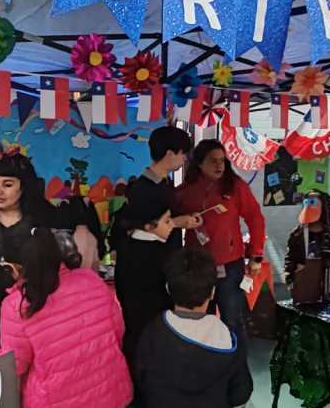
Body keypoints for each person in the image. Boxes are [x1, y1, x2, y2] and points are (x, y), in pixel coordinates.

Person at [0, 227, 132, 408]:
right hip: (113, 394)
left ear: (13, 268)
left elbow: (13, 366)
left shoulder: (17, 306)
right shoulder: (91, 279)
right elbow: (117, 332)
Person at [0, 147, 98, 344]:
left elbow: (59, 266)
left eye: (7, 185)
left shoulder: (44, 217)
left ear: (24, 186)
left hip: (31, 314)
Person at [133, 247, 253, 408]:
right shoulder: (229, 340)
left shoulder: (151, 332)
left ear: (168, 289)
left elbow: (141, 379)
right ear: (213, 292)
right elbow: (241, 394)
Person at [174, 139, 265, 346]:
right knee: (198, 320)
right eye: (213, 161)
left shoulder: (235, 186)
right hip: (197, 267)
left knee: (232, 320)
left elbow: (255, 219)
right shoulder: (185, 191)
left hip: (230, 266)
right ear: (199, 163)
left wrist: (256, 255)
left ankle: (235, 361)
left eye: (222, 160)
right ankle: (205, 358)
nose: (219, 165)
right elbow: (169, 221)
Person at [113, 199, 175, 372]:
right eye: (167, 221)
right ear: (149, 226)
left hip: (132, 326)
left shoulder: (124, 246)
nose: (172, 225)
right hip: (159, 331)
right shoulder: (164, 253)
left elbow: (119, 286)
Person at [284, 190, 330, 288]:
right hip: (302, 285)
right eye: (306, 202)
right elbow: (290, 259)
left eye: (313, 202)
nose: (309, 206)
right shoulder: (297, 234)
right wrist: (290, 281)